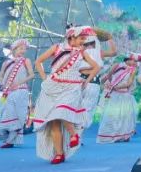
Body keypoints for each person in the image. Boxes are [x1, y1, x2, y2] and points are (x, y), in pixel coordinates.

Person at [33, 27, 101, 164]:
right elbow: (38, 62)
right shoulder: (57, 48)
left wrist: (86, 81)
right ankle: (59, 154)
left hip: (71, 88)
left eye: (84, 39)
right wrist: (44, 78)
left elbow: (96, 67)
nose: (83, 41)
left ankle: (73, 135)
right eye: (81, 38)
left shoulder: (82, 53)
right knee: (53, 121)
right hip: (52, 87)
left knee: (61, 112)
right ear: (71, 37)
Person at [76, 28, 117, 131]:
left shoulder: (80, 52)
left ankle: (74, 132)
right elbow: (113, 52)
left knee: (75, 107)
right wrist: (110, 38)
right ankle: (77, 133)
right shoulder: (98, 53)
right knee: (87, 109)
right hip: (91, 83)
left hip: (79, 81)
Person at [0, 39, 33, 148]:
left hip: (20, 90)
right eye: (21, 48)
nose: (23, 51)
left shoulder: (26, 61)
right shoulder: (6, 63)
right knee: (1, 111)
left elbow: (31, 75)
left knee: (18, 113)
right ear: (14, 49)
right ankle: (8, 136)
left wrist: (18, 83)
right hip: (6, 92)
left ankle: (10, 141)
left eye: (24, 49)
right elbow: (1, 75)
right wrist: (3, 84)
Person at [97, 53, 140, 143]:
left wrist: (117, 87)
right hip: (114, 94)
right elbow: (109, 75)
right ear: (127, 59)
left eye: (136, 61)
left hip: (124, 95)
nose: (135, 63)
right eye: (134, 61)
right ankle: (109, 136)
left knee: (125, 116)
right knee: (112, 116)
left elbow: (129, 83)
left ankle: (123, 136)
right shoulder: (117, 65)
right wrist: (110, 84)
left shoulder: (133, 70)